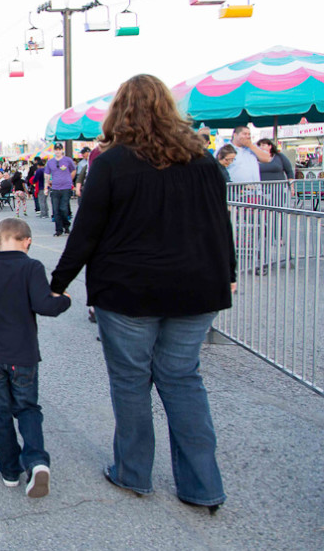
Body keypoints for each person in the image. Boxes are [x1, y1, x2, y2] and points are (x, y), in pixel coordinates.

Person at [49, 74, 235, 513]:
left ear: (120, 113)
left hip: (128, 289)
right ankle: (202, 485)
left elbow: (87, 231)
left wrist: (58, 283)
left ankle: (134, 472)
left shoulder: (112, 164)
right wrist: (228, 272)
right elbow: (219, 224)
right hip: (196, 289)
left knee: (132, 383)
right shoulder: (205, 162)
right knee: (183, 380)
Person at [0, 218, 71, 497]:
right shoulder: (32, 267)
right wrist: (64, 299)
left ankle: (10, 469)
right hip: (23, 355)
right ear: (28, 242)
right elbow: (45, 305)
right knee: (28, 408)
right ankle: (36, 460)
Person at [44, 144, 76, 237]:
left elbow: (73, 170)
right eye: (56, 150)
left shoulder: (68, 160)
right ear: (54, 151)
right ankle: (59, 229)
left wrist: (70, 180)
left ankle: (66, 225)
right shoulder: (50, 162)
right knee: (56, 210)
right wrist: (46, 185)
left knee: (63, 208)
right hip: (55, 188)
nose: (57, 151)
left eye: (59, 149)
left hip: (66, 188)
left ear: (62, 150)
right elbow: (47, 174)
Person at [256, 138, 295, 202]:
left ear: (270, 146)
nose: (261, 147)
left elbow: (289, 171)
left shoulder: (279, 156)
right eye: (259, 145)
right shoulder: (255, 158)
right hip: (262, 189)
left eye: (263, 145)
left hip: (278, 189)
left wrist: (292, 187)